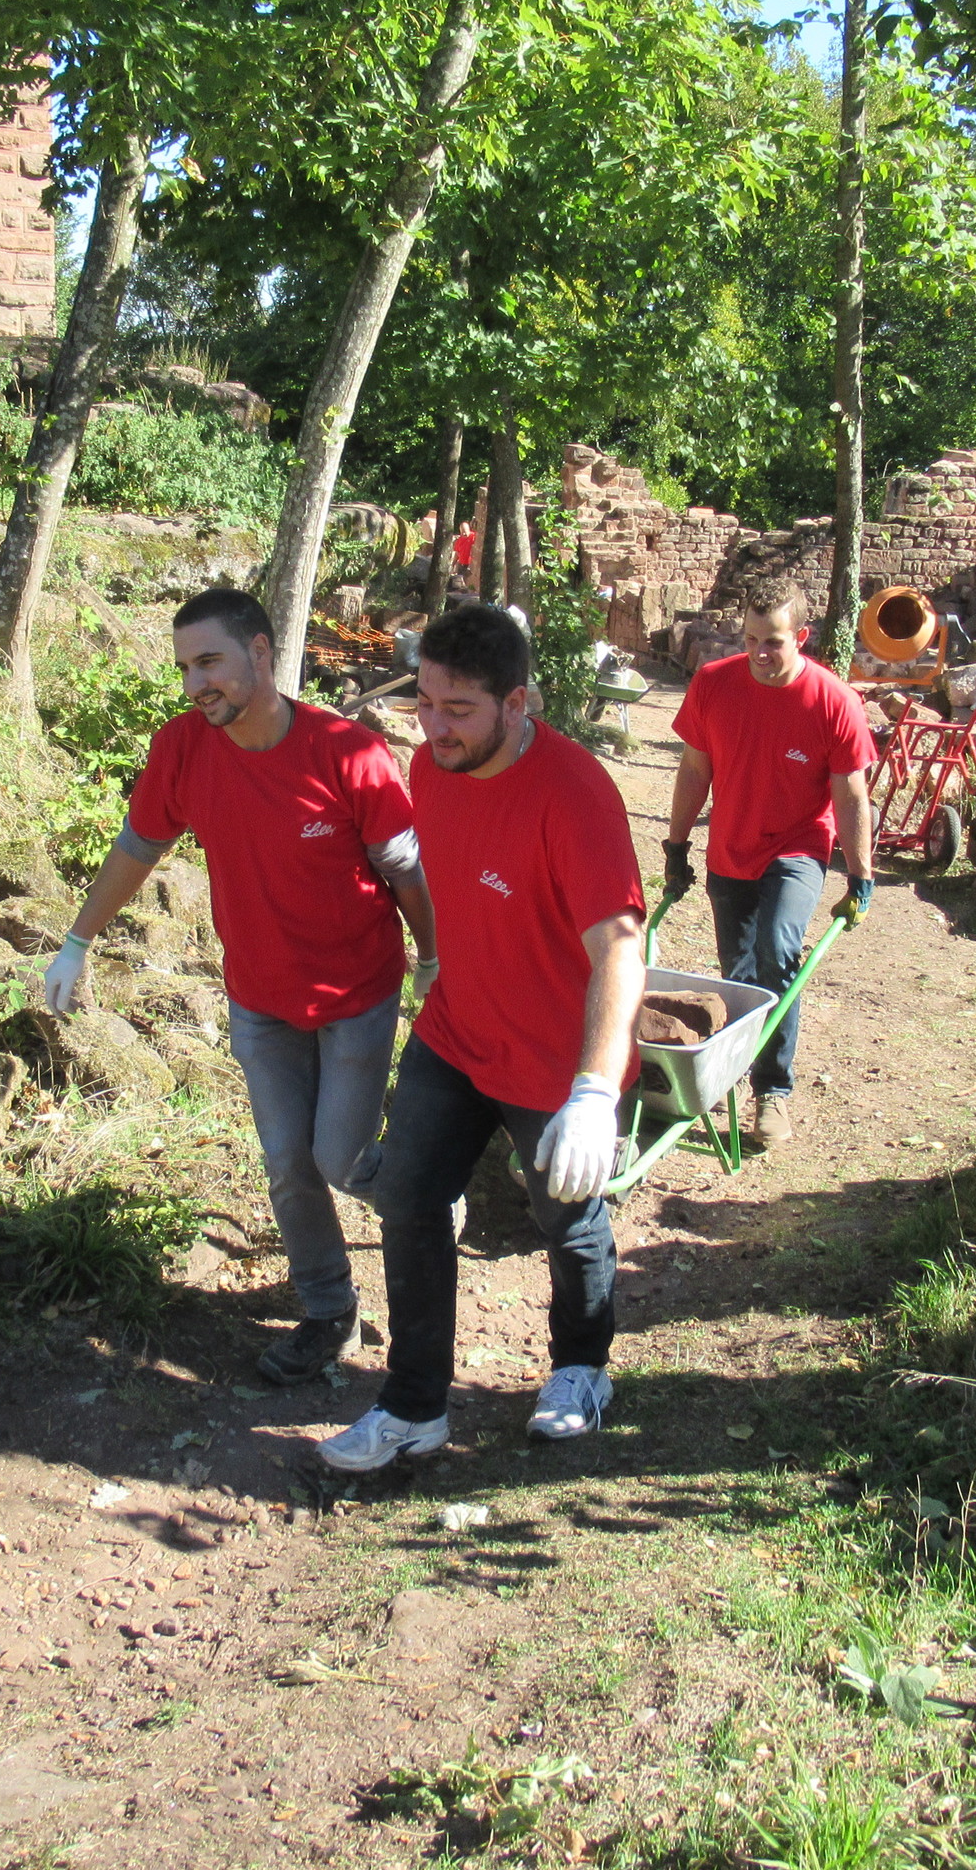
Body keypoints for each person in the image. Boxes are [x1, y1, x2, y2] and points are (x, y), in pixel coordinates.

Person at [42, 588, 439, 1387]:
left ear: (260, 653)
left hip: (356, 991)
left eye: (210, 662)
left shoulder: (348, 754)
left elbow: (407, 871)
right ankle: (329, 1312)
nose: (196, 684)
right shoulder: (183, 749)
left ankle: (425, 1195)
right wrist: (78, 941)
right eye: (186, 669)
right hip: (259, 996)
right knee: (288, 1163)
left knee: (338, 1157)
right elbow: (138, 846)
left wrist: (433, 958)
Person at [318, 606, 646, 1472]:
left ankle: (582, 1368)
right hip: (458, 1031)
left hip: (554, 1059)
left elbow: (620, 947)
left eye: (458, 708)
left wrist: (594, 1091)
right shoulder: (433, 766)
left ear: (518, 702)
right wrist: (438, 959)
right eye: (425, 702)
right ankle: (413, 1406)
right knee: (407, 1199)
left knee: (565, 1217)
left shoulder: (574, 796)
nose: (434, 726)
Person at [661, 572, 877, 1149]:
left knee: (778, 952)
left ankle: (772, 1091)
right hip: (731, 846)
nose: (759, 653)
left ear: (801, 636)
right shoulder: (714, 684)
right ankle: (729, 1070)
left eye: (773, 641)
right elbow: (695, 771)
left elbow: (850, 795)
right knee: (739, 976)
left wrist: (860, 875)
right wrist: (676, 846)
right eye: (751, 639)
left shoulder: (834, 701)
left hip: (798, 846)